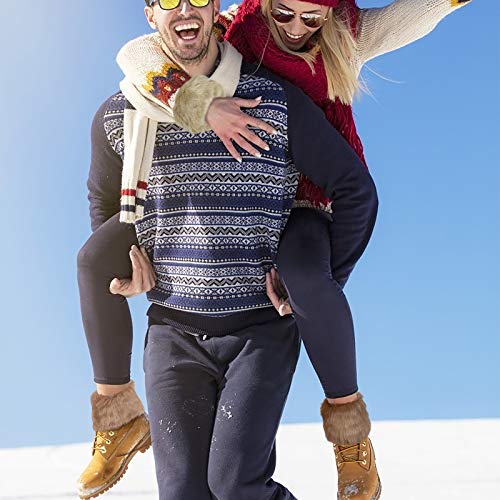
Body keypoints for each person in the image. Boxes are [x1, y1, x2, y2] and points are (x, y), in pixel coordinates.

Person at [77, 0, 473, 498]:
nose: (186, 9)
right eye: (170, 1)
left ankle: (350, 435)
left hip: (260, 324)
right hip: (173, 329)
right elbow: (103, 194)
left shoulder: (277, 97)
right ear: (149, 11)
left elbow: (355, 187)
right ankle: (116, 419)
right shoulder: (124, 108)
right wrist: (129, 263)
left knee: (237, 486)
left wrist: (319, 286)